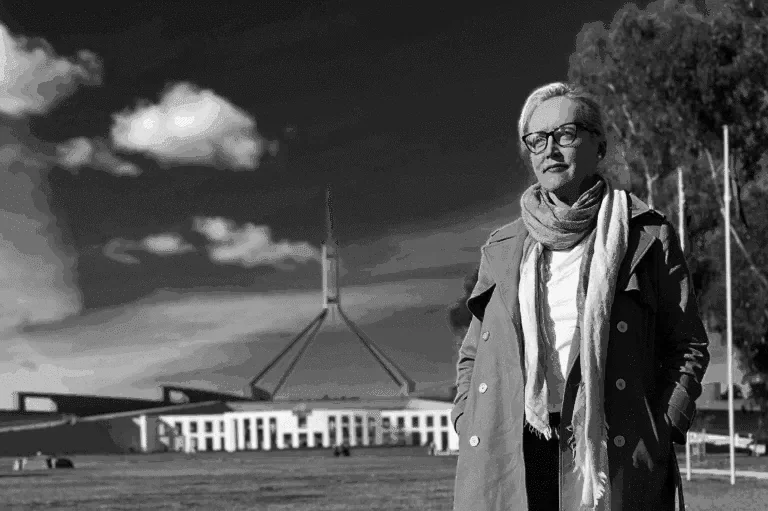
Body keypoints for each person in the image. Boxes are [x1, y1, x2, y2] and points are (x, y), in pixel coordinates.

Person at [451, 82, 710, 511]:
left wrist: (664, 425)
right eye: (536, 140)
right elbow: (473, 353)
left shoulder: (646, 235)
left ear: (599, 145)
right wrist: (466, 417)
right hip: (509, 444)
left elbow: (688, 344)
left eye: (565, 134)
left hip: (611, 446)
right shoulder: (502, 247)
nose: (549, 150)